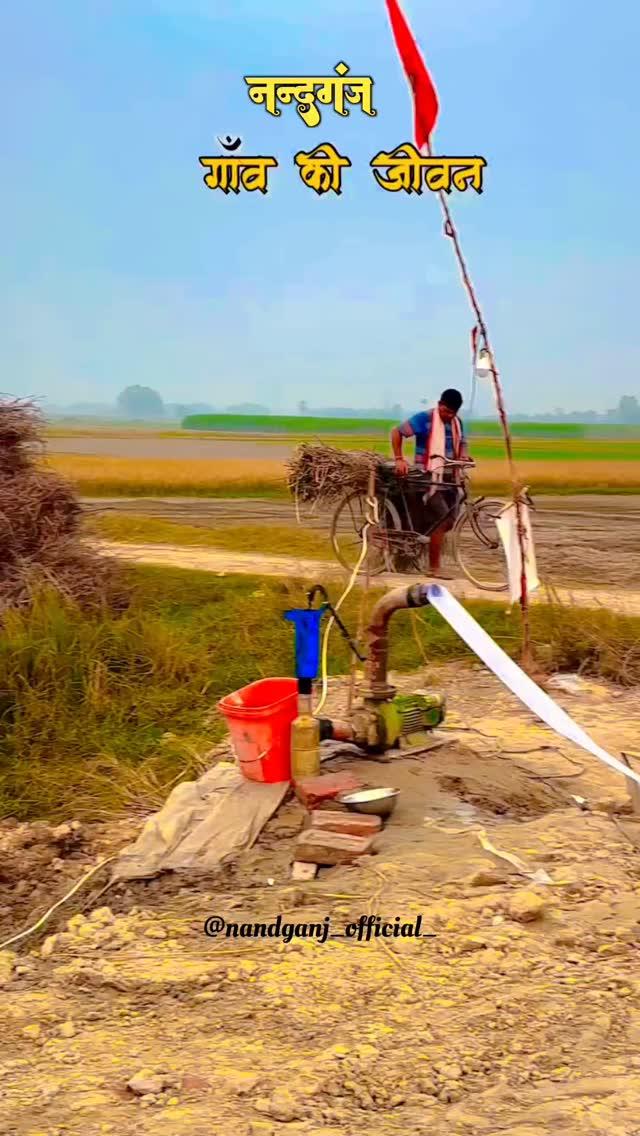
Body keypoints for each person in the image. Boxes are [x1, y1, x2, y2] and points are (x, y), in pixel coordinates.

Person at [390, 389, 471, 578]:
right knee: (442, 518)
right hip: (428, 476)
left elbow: (463, 443)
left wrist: (465, 456)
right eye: (445, 411)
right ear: (439, 404)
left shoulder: (457, 423)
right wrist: (399, 459)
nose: (448, 416)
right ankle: (434, 568)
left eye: (452, 413)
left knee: (451, 520)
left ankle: (422, 543)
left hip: (450, 477)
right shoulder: (425, 418)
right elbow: (397, 432)